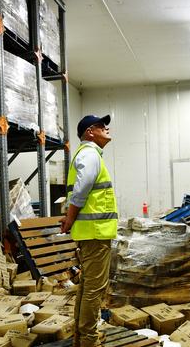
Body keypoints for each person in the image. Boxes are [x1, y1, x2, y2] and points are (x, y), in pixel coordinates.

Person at [59, 114, 118, 347]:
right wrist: (70, 218)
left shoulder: (88, 154)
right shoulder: (90, 154)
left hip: (92, 232)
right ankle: (89, 341)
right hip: (96, 233)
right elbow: (81, 190)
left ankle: (80, 339)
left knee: (87, 287)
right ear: (90, 132)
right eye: (102, 126)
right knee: (94, 289)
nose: (107, 128)